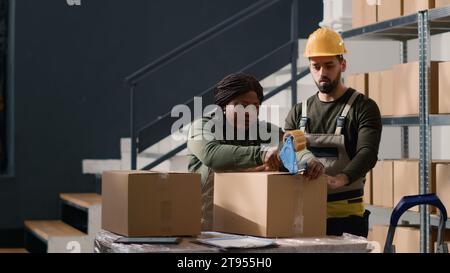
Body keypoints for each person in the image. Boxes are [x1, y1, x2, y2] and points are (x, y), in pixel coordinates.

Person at [284, 28, 382, 238]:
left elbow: (367, 152)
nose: (322, 73)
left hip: (346, 217)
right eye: (316, 66)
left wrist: (341, 178)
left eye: (329, 65)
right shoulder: (298, 111)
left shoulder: (363, 107)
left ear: (342, 65)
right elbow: (287, 151)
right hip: (303, 214)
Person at [187, 73, 293, 230]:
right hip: (207, 226)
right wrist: (262, 155)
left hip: (251, 223)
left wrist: (309, 161)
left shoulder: (264, 131)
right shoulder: (202, 127)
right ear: (224, 105)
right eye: (242, 106)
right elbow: (211, 154)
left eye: (255, 106)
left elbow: (289, 144)